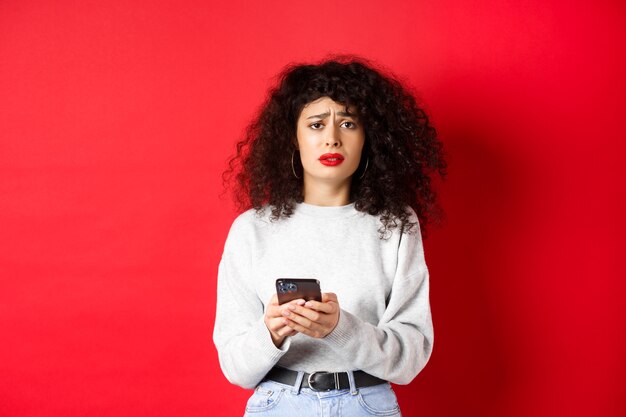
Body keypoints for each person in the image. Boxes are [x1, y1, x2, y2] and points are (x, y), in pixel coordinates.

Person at [213, 55, 446, 416]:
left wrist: (341, 328)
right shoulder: (251, 229)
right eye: (317, 124)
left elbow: (409, 359)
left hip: (367, 404)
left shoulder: (396, 225)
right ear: (294, 137)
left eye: (349, 123)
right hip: (277, 405)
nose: (333, 139)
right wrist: (271, 333)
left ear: (369, 138)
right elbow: (235, 368)